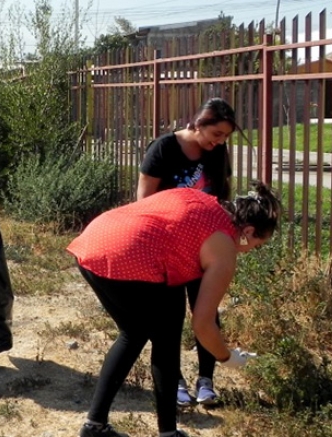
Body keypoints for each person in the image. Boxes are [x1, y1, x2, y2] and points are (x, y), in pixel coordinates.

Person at [68, 181, 281, 437]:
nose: (250, 251)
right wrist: (226, 357)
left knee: (135, 333)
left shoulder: (201, 200)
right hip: (130, 257)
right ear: (247, 230)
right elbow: (203, 324)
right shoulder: (224, 248)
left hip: (94, 241)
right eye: (256, 245)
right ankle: (166, 433)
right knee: (165, 340)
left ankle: (95, 426)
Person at [138, 97, 235, 407]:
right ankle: (175, 381)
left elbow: (220, 196)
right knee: (169, 317)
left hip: (204, 249)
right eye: (216, 134)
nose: (219, 142)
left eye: (225, 137)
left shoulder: (218, 153)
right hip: (167, 248)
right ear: (198, 124)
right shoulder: (165, 148)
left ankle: (206, 381)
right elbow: (144, 200)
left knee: (206, 311)